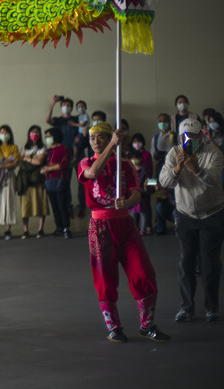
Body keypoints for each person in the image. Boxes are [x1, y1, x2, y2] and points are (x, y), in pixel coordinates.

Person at [78, 122, 169, 343]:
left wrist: (127, 202)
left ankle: (147, 325)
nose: (96, 141)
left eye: (101, 137)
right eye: (93, 138)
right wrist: (111, 146)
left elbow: (137, 193)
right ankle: (113, 327)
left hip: (126, 225)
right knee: (104, 276)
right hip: (100, 228)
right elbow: (94, 173)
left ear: (109, 137)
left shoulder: (125, 164)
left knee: (143, 272)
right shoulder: (85, 162)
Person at [158, 118, 224, 323]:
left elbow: (214, 179)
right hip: (185, 215)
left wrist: (196, 169)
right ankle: (186, 308)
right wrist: (177, 169)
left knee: (210, 264)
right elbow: (163, 181)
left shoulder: (214, 153)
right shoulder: (173, 153)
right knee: (186, 262)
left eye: (193, 137)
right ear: (179, 137)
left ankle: (211, 308)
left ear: (201, 136)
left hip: (212, 213)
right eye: (184, 137)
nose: (188, 141)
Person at [0, 124, 20, 240]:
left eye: (6, 133)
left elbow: (15, 162)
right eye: (2, 133)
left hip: (9, 177)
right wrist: (6, 162)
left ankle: (8, 230)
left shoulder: (14, 147)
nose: (4, 135)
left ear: (10, 134)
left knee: (9, 200)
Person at [18, 125, 48, 239]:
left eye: (36, 132)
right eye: (32, 132)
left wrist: (27, 159)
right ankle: (26, 230)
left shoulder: (43, 147)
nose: (34, 134)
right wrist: (31, 160)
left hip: (38, 179)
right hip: (25, 180)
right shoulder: (24, 148)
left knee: (40, 201)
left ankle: (40, 229)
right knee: (25, 204)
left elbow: (39, 161)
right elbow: (20, 161)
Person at [42, 127, 71, 238]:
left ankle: (66, 228)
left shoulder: (64, 149)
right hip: (49, 181)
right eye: (46, 137)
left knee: (62, 206)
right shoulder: (48, 151)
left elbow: (63, 164)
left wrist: (49, 169)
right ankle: (59, 227)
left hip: (60, 180)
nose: (47, 139)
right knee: (54, 207)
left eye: (49, 136)